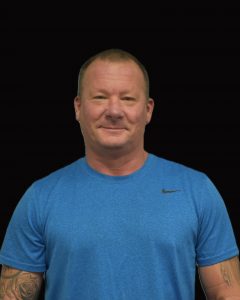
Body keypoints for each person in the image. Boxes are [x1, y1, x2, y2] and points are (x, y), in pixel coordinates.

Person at [0, 48, 239, 300]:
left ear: (148, 110)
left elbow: (227, 293)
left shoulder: (197, 191)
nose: (114, 111)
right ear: (78, 107)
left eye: (127, 99)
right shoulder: (40, 198)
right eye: (100, 97)